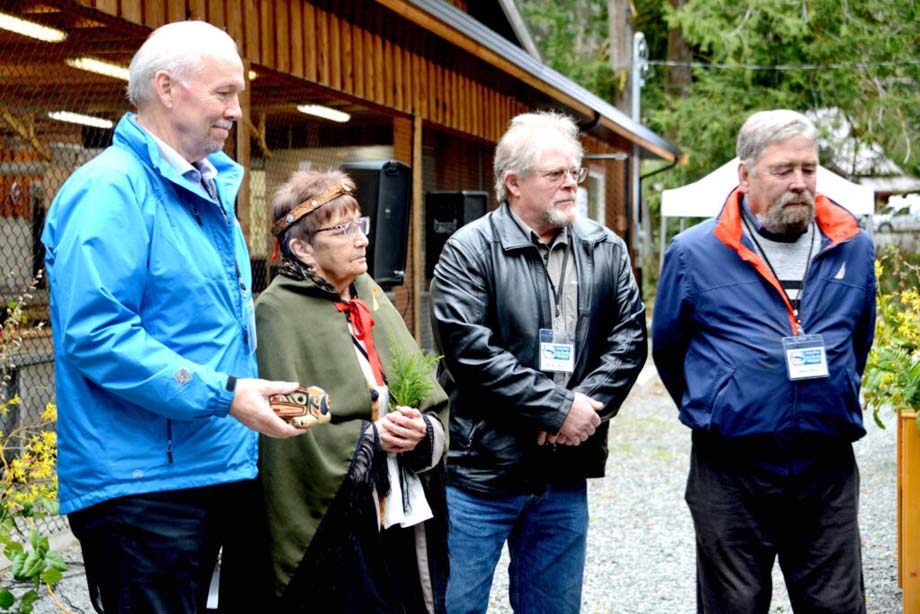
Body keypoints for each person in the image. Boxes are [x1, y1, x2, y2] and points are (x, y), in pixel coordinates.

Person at [41, 20, 307, 614]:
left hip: (212, 465)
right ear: (167, 88)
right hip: (144, 488)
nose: (237, 111)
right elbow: (98, 335)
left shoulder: (207, 189)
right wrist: (226, 395)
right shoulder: (111, 191)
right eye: (223, 93)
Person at [652, 109, 875, 614]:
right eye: (783, 170)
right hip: (731, 468)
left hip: (826, 465)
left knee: (837, 605)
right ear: (745, 173)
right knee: (734, 605)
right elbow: (669, 349)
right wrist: (724, 400)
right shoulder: (694, 252)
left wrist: (824, 396)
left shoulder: (853, 247)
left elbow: (859, 340)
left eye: (808, 169)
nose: (799, 183)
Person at [429, 111, 648, 613]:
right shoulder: (469, 250)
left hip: (563, 474)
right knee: (455, 606)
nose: (571, 183)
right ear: (513, 183)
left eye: (575, 171)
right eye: (555, 174)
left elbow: (630, 339)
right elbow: (471, 354)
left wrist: (583, 410)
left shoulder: (604, 248)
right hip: (482, 474)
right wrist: (555, 410)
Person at [253, 169, 450, 612]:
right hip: (340, 523)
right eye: (342, 230)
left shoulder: (368, 293)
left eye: (359, 225)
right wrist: (369, 438)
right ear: (302, 248)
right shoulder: (275, 313)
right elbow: (284, 417)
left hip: (400, 508)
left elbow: (424, 389)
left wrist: (419, 427)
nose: (361, 239)